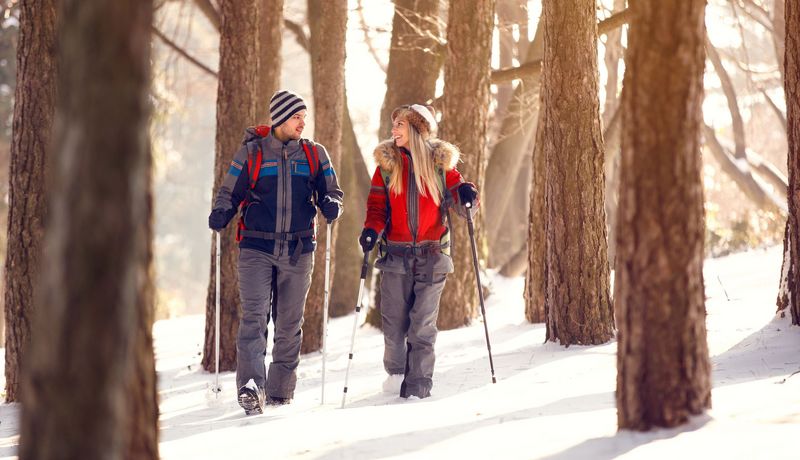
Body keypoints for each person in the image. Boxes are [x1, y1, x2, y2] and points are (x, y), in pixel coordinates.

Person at [208, 90, 343, 415]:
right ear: (281, 117)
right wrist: (222, 212)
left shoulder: (314, 154)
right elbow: (229, 192)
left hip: (298, 250)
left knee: (289, 324)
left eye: (304, 117)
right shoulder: (251, 154)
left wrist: (332, 204)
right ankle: (252, 389)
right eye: (297, 116)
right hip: (256, 248)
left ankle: (281, 392)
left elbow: (333, 190)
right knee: (253, 319)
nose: (302, 122)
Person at [360, 104, 478, 399]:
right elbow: (376, 208)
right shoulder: (387, 167)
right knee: (394, 327)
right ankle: (397, 375)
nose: (393, 130)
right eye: (394, 125)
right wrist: (371, 231)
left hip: (432, 255)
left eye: (399, 124)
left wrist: (468, 196)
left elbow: (463, 203)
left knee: (422, 326)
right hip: (395, 257)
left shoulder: (441, 167)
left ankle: (418, 388)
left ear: (416, 129)